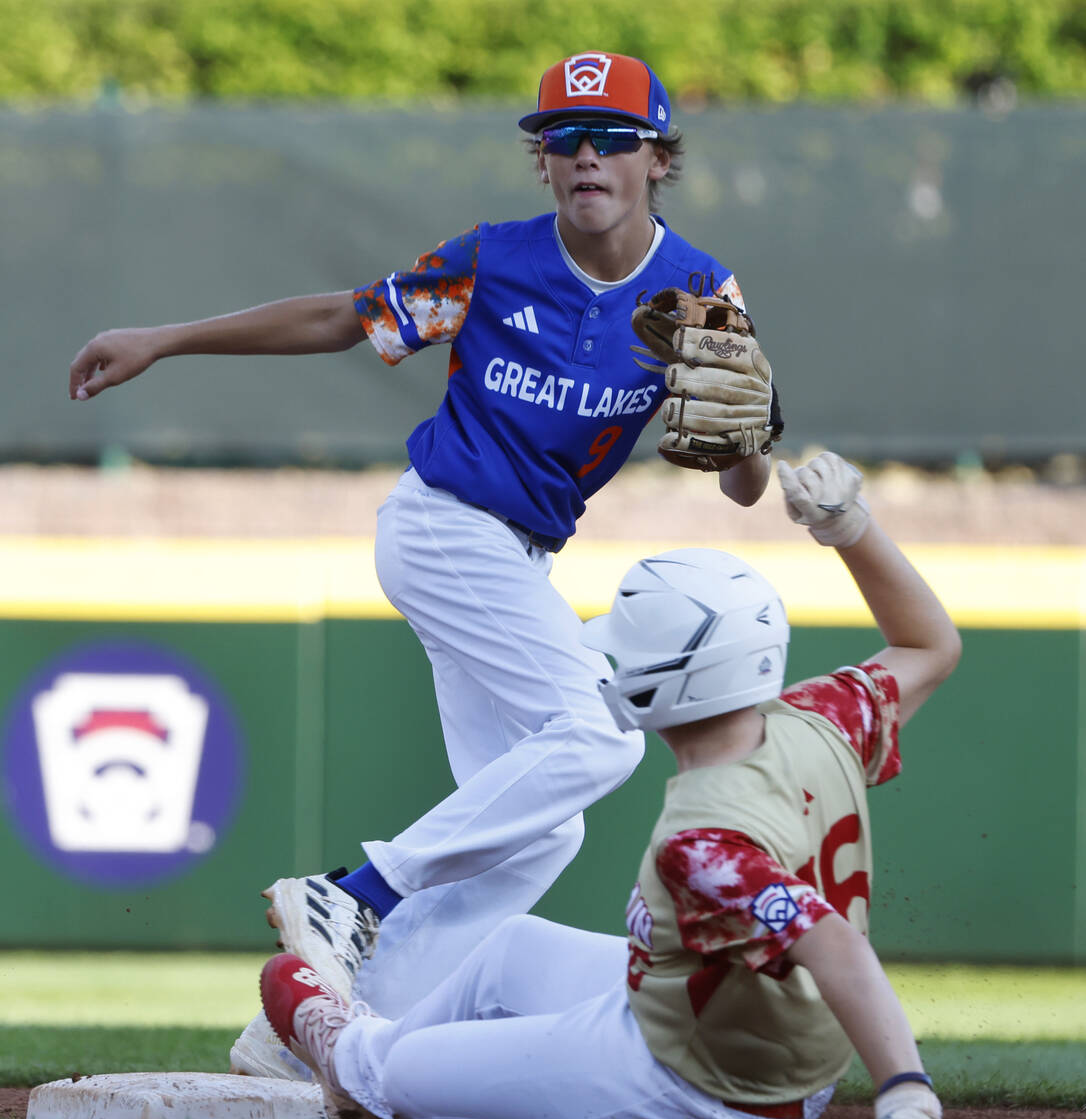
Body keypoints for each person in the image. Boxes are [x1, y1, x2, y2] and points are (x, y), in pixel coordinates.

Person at [68, 50, 780, 1061]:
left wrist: (749, 443)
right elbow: (340, 318)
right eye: (562, 136)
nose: (586, 155)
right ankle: (351, 893)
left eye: (612, 138)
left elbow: (742, 481)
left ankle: (305, 1035)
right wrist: (166, 338)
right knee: (603, 736)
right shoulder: (493, 260)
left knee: (540, 829)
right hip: (445, 526)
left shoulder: (695, 296)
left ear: (658, 157)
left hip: (516, 560)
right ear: (541, 160)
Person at [258, 451, 961, 1119]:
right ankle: (395, 1032)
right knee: (511, 951)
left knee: (400, 1075)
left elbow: (832, 944)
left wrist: (906, 1093)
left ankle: (357, 1059)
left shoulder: (703, 841)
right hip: (726, 1015)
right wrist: (850, 528)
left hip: (710, 1084)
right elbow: (930, 645)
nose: (612, 666)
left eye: (627, 653)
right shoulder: (823, 719)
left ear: (673, 680)